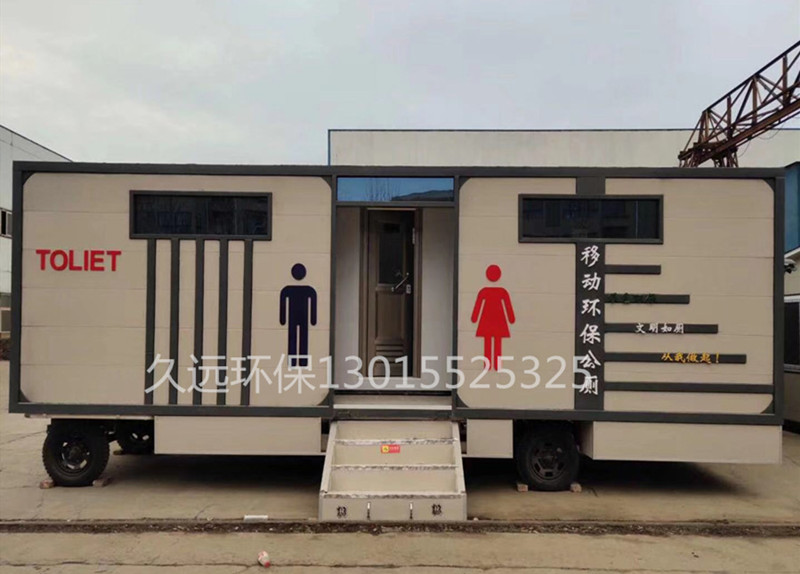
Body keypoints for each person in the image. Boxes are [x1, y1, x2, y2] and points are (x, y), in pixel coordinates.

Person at [471, 264, 515, 370]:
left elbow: (478, 306)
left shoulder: (485, 291)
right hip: (498, 320)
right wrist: (511, 318)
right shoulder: (502, 291)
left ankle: (489, 365)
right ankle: (496, 365)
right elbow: (508, 307)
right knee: (497, 342)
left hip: (487, 320)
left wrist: (474, 318)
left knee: (489, 342)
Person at [279, 263, 317, 367]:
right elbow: (313, 303)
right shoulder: (308, 290)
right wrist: (313, 320)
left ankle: (297, 361)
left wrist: (283, 319)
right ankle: (300, 361)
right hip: (302, 318)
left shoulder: (288, 289)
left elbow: (283, 302)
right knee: (299, 338)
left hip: (294, 318)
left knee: (294, 338)